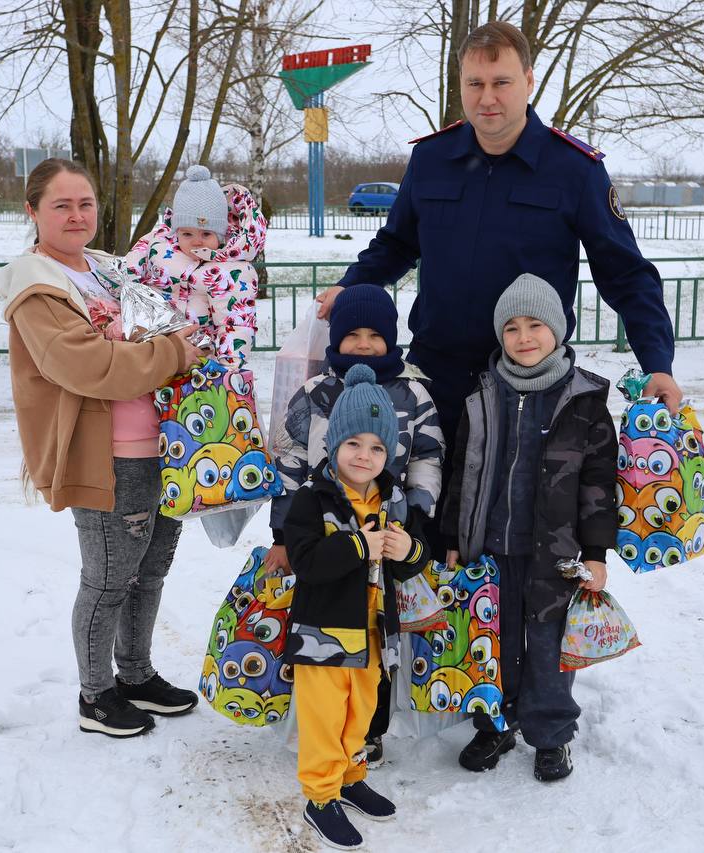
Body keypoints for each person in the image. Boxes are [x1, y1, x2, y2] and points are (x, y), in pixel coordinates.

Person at [315, 21, 680, 526]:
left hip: (528, 387)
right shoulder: (432, 159)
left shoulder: (574, 169)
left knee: (515, 537)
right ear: (461, 86)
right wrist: (351, 284)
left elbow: (627, 274)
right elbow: (397, 243)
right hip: (435, 380)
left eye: (501, 82)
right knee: (422, 527)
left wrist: (656, 360)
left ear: (529, 81)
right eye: (475, 84)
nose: (487, 98)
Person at [1, 158, 204, 740]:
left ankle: (136, 675)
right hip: (104, 453)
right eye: (61, 205)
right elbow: (85, 366)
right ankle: (96, 695)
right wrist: (172, 356)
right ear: (33, 211)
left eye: (85, 203)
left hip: (164, 445)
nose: (76, 214)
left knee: (151, 571)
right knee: (110, 575)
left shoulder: (110, 269)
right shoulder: (36, 284)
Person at [440, 273, 617, 781]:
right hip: (489, 549)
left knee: (549, 647)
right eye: (512, 327)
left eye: (535, 325)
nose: (523, 338)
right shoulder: (483, 394)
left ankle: (550, 734)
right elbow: (462, 471)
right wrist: (454, 539)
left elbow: (598, 483)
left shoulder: (584, 400)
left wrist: (596, 553)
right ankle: (496, 722)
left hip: (556, 554)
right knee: (492, 643)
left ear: (558, 331)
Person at [264, 284, 444, 766]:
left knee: (380, 633)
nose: (363, 343)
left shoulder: (413, 392)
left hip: (389, 531)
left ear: (390, 338)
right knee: (322, 624)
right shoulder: (315, 392)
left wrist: (417, 513)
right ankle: (321, 726)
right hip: (323, 534)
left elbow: (428, 454)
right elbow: (289, 462)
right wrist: (283, 535)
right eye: (352, 335)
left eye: (374, 335)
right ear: (336, 338)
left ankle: (370, 727)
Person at [282, 364, 434, 850]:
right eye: (354, 444)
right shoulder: (312, 499)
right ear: (335, 446)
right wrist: (357, 547)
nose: (364, 456)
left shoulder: (391, 499)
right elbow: (306, 562)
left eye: (377, 447)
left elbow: (413, 563)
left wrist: (405, 550)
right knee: (324, 716)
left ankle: (350, 776)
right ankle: (320, 796)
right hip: (323, 634)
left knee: (361, 711)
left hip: (373, 632)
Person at [124, 164, 265, 366]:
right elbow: (129, 270)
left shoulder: (231, 270)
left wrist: (227, 368)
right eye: (187, 234)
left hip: (202, 360)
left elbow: (235, 323)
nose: (196, 241)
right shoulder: (158, 244)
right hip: (154, 349)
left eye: (206, 234)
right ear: (176, 231)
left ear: (221, 235)